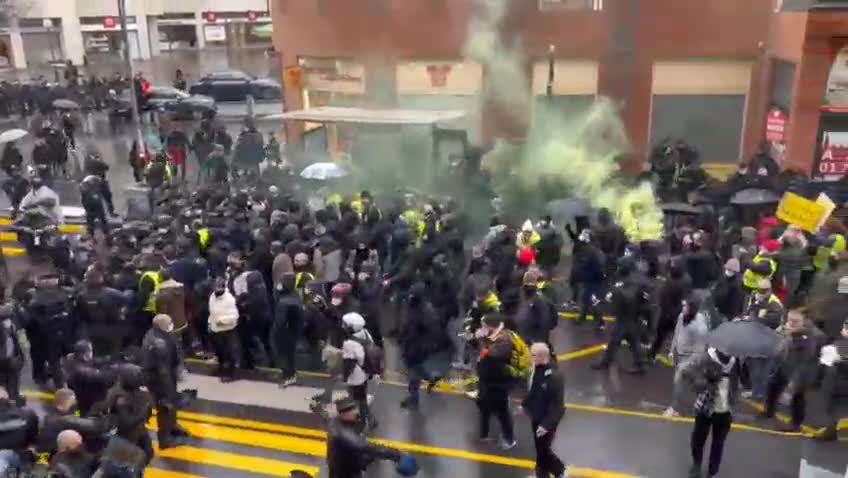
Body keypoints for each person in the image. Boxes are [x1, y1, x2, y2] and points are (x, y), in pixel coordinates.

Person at [680, 346, 740, 478]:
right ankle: (696, 465)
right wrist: (705, 380)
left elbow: (740, 384)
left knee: (718, 443)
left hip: (725, 410)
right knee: (698, 439)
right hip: (705, 406)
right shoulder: (707, 357)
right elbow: (686, 371)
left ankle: (712, 471)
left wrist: (734, 396)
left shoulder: (736, 361)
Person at [760, 309, 820, 432]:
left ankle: (796, 423)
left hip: (800, 371)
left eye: (795, 321)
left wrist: (795, 381)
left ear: (803, 321)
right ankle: (769, 411)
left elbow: (806, 360)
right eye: (789, 320)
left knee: (797, 397)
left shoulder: (808, 336)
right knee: (773, 387)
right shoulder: (788, 331)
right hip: (785, 366)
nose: (791, 323)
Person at [325, 398, 407, 478]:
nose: (356, 413)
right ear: (343, 414)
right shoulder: (344, 434)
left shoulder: (336, 423)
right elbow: (369, 448)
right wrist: (396, 455)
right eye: (352, 411)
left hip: (341, 468)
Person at [521, 343, 567, 478]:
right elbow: (535, 391)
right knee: (540, 449)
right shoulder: (538, 369)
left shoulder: (554, 377)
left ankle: (560, 470)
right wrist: (525, 405)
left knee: (543, 450)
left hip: (546, 420)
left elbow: (558, 406)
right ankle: (541, 474)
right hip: (537, 416)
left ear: (541, 356)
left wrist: (546, 425)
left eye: (533, 355)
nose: (530, 357)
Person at [141, 314, 185, 448]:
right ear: (162, 325)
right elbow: (162, 371)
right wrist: (167, 391)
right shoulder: (159, 343)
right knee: (165, 406)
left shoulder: (158, 333)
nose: (172, 324)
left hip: (165, 374)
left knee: (171, 402)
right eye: (170, 322)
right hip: (159, 380)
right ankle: (165, 439)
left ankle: (173, 425)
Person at [475, 314, 518, 449]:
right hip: (486, 380)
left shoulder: (505, 340)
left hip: (498, 382)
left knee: (502, 411)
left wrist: (482, 339)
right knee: (484, 406)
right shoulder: (491, 337)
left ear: (491, 327)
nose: (482, 329)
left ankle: (509, 439)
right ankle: (484, 435)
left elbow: (493, 354)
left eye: (484, 326)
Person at [664, 294, 710, 417]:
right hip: (681, 354)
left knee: (679, 379)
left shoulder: (699, 327)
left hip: (691, 357)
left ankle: (674, 408)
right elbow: (677, 332)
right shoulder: (682, 316)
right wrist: (671, 350)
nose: (683, 307)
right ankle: (705, 394)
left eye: (686, 306)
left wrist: (688, 363)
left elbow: (700, 348)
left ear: (692, 308)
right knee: (693, 380)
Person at [341, 312, 377, 431]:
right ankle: (370, 419)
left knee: (358, 400)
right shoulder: (365, 333)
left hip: (357, 376)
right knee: (362, 398)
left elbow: (348, 363)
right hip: (366, 371)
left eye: (345, 325)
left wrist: (344, 378)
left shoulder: (349, 343)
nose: (343, 327)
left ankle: (363, 424)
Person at [272, 273, 304, 387]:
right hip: (293, 330)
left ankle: (289, 375)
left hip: (285, 331)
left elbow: (280, 321)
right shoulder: (294, 295)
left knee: (285, 355)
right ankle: (288, 373)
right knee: (289, 354)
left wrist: (276, 333)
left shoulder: (285, 302)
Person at [208, 277, 240, 382]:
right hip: (215, 330)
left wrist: (222, 321)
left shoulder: (229, 299)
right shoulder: (212, 297)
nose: (216, 290)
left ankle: (231, 374)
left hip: (227, 330)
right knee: (220, 353)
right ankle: (222, 369)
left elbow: (234, 316)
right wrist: (210, 323)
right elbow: (211, 312)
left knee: (229, 353)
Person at [0, 304, 23, 405]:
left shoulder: (10, 327)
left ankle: (11, 399)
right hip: (8, 359)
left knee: (7, 381)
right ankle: (13, 400)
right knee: (11, 381)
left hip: (8, 359)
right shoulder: (10, 326)